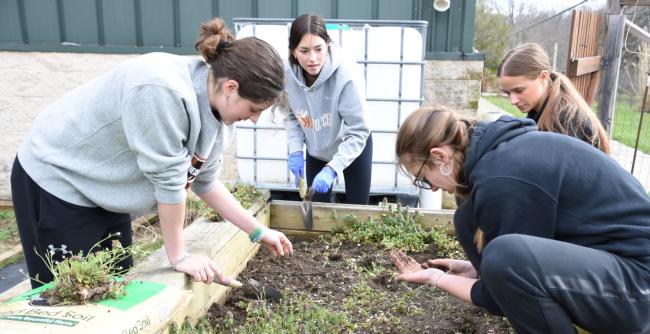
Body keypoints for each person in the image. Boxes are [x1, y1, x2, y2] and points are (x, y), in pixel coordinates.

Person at [11, 17, 293, 288]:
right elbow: (169, 183)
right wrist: (179, 256)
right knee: (68, 296)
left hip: (104, 190)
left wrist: (257, 231)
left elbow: (204, 181)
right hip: (57, 180)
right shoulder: (161, 90)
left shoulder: (221, 115)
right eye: (254, 109)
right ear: (231, 87)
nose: (255, 118)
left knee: (115, 286)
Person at [393, 106, 650, 333]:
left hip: (639, 288)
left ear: (440, 156)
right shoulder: (500, 156)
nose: (433, 189)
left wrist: (436, 279)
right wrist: (474, 270)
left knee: (504, 258)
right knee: (467, 219)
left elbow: (500, 290)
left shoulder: (503, 179)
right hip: (616, 271)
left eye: (423, 179)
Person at [284, 13, 373, 204]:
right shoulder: (287, 75)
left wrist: (332, 169)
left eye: (318, 49)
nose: (313, 58)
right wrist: (295, 150)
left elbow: (358, 130)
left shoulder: (347, 75)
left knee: (358, 210)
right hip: (317, 147)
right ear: (293, 51)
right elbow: (293, 116)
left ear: (328, 45)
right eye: (304, 51)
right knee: (316, 209)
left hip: (352, 144)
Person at [497, 42, 610, 154]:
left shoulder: (565, 121)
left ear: (543, 76)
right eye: (507, 93)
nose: (512, 100)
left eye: (519, 90)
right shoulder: (538, 111)